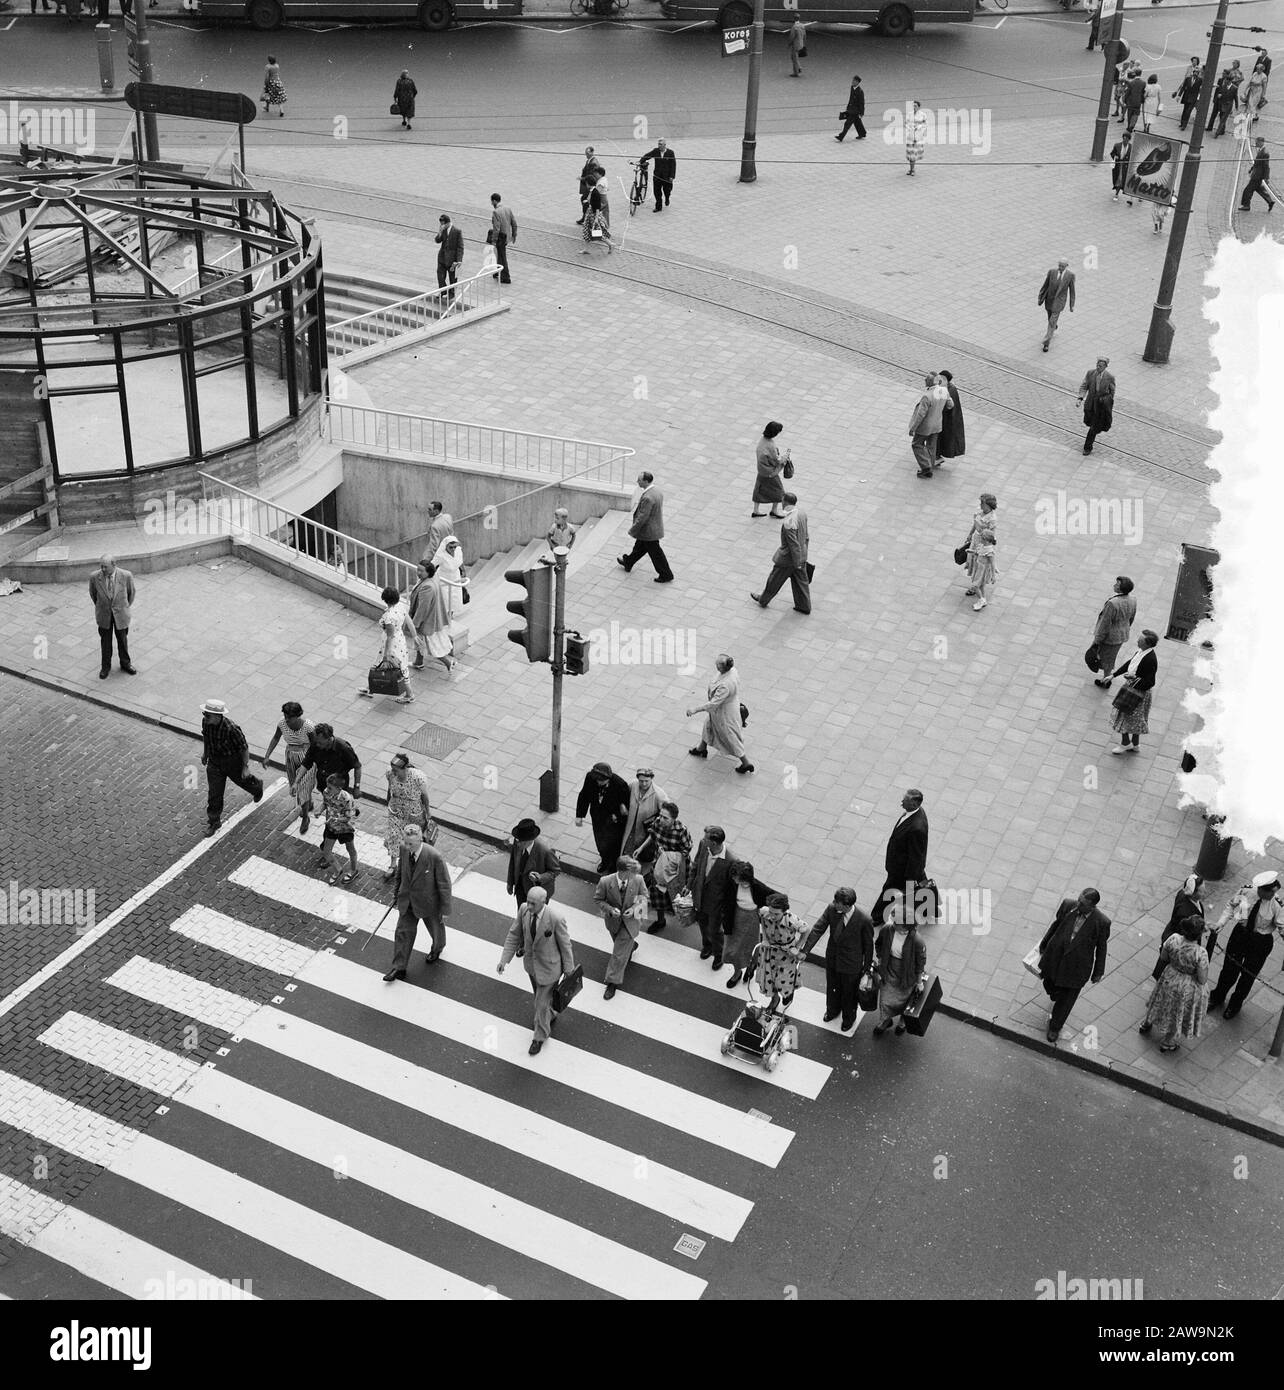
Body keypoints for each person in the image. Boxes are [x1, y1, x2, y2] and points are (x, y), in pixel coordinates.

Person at [498, 887, 575, 1055]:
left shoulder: (556, 918)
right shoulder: (524, 909)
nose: (529, 905)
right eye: (529, 901)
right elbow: (514, 934)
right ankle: (549, 1014)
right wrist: (504, 960)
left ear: (543, 902)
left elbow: (565, 945)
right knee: (541, 999)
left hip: (550, 968)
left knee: (540, 1004)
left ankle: (539, 1036)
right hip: (532, 967)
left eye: (533, 903)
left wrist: (569, 970)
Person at [1207, 870, 1284, 1019]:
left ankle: (1234, 1005)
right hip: (1240, 934)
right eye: (1270, 893)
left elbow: (1282, 927)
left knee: (1247, 977)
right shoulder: (1247, 891)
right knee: (1229, 969)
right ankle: (1217, 997)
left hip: (1260, 942)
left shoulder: (1277, 905)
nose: (1273, 895)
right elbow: (1231, 905)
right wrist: (1221, 923)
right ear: (1261, 890)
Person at [1037, 888, 1111, 1042]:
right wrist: (1044, 944)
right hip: (1056, 957)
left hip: (1077, 967)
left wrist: (1098, 972)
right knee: (1050, 984)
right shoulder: (1068, 906)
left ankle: (1055, 1027)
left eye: (1082, 903)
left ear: (1092, 906)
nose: (1078, 905)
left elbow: (1102, 948)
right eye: (1078, 900)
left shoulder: (1101, 922)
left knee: (1067, 999)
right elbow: (1056, 925)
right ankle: (1055, 993)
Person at [384, 822, 453, 981]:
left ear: (420, 840)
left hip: (429, 903)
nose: (407, 847)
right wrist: (396, 894)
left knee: (436, 930)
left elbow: (444, 884)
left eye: (411, 844)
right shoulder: (404, 849)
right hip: (407, 901)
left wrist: (445, 909)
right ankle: (399, 967)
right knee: (402, 932)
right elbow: (401, 873)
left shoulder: (434, 856)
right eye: (406, 842)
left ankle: (438, 948)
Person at [803, 887, 874, 1031]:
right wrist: (805, 950)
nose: (834, 903)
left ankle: (849, 1018)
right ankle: (832, 1010)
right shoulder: (831, 909)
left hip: (851, 965)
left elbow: (868, 946)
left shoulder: (864, 920)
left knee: (849, 993)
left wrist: (866, 971)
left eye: (837, 902)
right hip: (833, 958)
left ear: (847, 906)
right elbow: (818, 929)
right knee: (832, 987)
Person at [1139, 917, 1209, 1052]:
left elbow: (1164, 957)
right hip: (1186, 986)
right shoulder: (1200, 953)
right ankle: (1168, 1041)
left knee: (1160, 1001)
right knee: (1177, 1012)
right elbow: (1202, 979)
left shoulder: (1173, 938)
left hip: (1169, 976)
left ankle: (1146, 1023)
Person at [200, 698, 262, 835]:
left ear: (217, 716)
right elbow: (206, 738)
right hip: (215, 762)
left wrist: (245, 767)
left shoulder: (231, 728)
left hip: (232, 761)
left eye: (207, 715)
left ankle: (257, 787)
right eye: (204, 714)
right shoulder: (206, 722)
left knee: (244, 781)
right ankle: (214, 821)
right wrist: (205, 754)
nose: (204, 717)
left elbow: (244, 748)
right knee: (214, 793)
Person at [687, 653, 753, 774]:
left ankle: (746, 762)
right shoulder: (732, 670)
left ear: (721, 667)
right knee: (709, 725)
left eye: (717, 663)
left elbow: (713, 704)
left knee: (730, 736)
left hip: (724, 713)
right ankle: (702, 748)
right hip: (721, 710)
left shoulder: (725, 685)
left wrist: (695, 709)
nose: (715, 664)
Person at [594, 857, 649, 999]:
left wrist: (634, 908)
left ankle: (612, 981)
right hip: (614, 922)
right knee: (621, 947)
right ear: (623, 872)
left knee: (618, 955)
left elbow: (644, 897)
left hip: (631, 922)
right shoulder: (605, 881)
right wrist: (610, 910)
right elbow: (598, 899)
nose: (634, 875)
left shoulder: (638, 879)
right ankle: (631, 947)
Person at [872, 789, 929, 926]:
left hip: (901, 870)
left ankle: (877, 916)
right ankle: (927, 907)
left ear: (915, 804)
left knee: (889, 891)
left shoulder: (917, 828)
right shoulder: (914, 813)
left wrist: (910, 877)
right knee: (920, 885)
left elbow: (916, 855)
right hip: (904, 865)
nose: (902, 802)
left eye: (906, 801)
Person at [635, 800, 692, 936]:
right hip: (659, 866)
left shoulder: (681, 831)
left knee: (676, 894)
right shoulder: (658, 823)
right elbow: (653, 835)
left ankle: (681, 915)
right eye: (661, 815)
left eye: (665, 818)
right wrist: (641, 848)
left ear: (673, 819)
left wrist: (668, 857)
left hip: (675, 870)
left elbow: (687, 850)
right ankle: (661, 920)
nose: (661, 819)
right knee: (657, 894)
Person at [871, 902, 928, 1037]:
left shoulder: (917, 940)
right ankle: (885, 1020)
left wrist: (919, 982)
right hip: (889, 969)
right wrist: (880, 958)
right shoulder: (887, 930)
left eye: (896, 922)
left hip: (907, 975)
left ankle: (902, 1022)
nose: (893, 924)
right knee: (885, 999)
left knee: (905, 1001)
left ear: (905, 925)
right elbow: (878, 944)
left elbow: (920, 963)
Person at [751, 492, 811, 614]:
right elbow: (806, 535)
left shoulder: (789, 522)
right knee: (801, 582)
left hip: (788, 559)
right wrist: (803, 554)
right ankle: (804, 606)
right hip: (802, 554)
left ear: (784, 502)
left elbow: (793, 544)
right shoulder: (802, 513)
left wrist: (796, 562)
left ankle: (763, 599)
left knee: (774, 580)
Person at [262, 700, 315, 831]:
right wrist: (267, 755)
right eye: (285, 716)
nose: (286, 720)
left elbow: (315, 746)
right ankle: (308, 802)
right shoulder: (282, 724)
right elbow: (276, 738)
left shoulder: (308, 727)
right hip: (291, 756)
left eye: (289, 718)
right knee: (295, 785)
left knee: (303, 786)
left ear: (298, 716)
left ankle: (305, 817)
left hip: (306, 757)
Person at [359, 587, 417, 705]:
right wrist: (415, 636)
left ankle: (410, 694)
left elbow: (390, 636)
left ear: (385, 600)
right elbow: (409, 621)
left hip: (392, 645)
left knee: (397, 667)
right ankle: (370, 688)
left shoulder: (389, 616)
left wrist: (387, 654)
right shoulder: (401, 606)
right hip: (400, 640)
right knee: (394, 665)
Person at [722, 859, 775, 988]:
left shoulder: (758, 887)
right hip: (735, 917)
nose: (737, 882)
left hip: (751, 920)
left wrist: (767, 910)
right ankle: (737, 972)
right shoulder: (732, 883)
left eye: (741, 881)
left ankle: (750, 968)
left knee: (750, 948)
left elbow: (778, 898)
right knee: (733, 950)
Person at [751, 895, 807, 1012]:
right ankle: (774, 999)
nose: (772, 916)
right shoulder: (765, 912)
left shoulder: (792, 920)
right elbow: (762, 918)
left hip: (786, 955)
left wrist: (797, 947)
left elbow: (806, 930)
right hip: (769, 952)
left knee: (784, 979)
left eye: (776, 914)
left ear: (784, 911)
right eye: (771, 912)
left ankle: (787, 993)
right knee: (769, 978)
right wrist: (764, 938)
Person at [1109, 629, 1159, 755]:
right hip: (1134, 688)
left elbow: (1150, 681)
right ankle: (1135, 744)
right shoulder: (1141, 652)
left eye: (1140, 640)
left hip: (1137, 691)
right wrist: (1113, 675)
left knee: (1124, 715)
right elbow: (1129, 663)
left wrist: (1133, 679)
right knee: (1137, 718)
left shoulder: (1150, 659)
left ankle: (1125, 743)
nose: (1137, 640)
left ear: (1147, 643)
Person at [616, 470, 672, 582]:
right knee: (640, 547)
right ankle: (629, 562)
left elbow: (642, 517)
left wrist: (632, 530)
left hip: (648, 531)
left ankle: (666, 574)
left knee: (656, 554)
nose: (637, 481)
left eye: (639, 480)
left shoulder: (647, 497)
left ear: (646, 481)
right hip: (654, 528)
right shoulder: (656, 491)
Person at [691, 825, 736, 967]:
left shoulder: (731, 861)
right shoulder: (704, 845)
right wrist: (689, 886)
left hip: (716, 902)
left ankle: (718, 954)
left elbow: (731, 888)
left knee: (716, 930)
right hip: (700, 895)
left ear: (714, 843)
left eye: (706, 839)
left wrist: (725, 908)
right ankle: (707, 946)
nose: (703, 840)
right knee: (702, 923)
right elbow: (696, 865)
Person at [383, 753, 432, 880]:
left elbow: (424, 796)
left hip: (413, 813)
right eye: (392, 769)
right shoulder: (390, 774)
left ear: (404, 768)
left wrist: (428, 812)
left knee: (412, 839)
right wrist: (388, 800)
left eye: (396, 770)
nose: (393, 772)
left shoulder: (417, 777)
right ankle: (393, 865)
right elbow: (390, 789)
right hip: (396, 810)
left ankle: (413, 864)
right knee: (393, 836)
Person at [88, 554, 137, 679]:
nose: (103, 569)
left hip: (121, 615)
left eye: (105, 567)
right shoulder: (95, 577)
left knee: (122, 640)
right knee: (105, 642)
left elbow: (131, 594)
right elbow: (94, 595)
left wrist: (123, 607)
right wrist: (103, 607)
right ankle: (105, 667)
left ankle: (125, 664)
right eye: (101, 566)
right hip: (104, 615)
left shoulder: (126, 576)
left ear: (114, 565)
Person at [575, 762, 631, 872]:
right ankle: (605, 861)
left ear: (608, 778)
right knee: (600, 842)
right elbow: (584, 795)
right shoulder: (590, 778)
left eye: (602, 781)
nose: (598, 782)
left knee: (614, 845)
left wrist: (618, 816)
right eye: (597, 780)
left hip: (613, 821)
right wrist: (579, 815)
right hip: (598, 817)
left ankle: (614, 866)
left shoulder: (620, 785)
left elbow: (626, 807)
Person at [1151, 874, 1205, 980]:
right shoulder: (1185, 913)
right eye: (1201, 891)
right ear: (1193, 894)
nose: (1204, 893)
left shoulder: (1182, 894)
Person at [1090, 575, 1137, 690]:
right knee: (1110, 657)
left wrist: (1097, 640)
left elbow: (1105, 624)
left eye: (1117, 584)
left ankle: (1106, 680)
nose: (1114, 585)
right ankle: (1107, 677)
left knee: (1107, 659)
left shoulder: (1113, 603)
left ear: (1121, 589)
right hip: (1122, 634)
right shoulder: (1133, 600)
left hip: (1110, 637)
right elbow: (1131, 618)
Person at [407, 563, 455, 676]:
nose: (418, 572)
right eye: (418, 569)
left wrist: (415, 624)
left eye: (421, 571)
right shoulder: (432, 579)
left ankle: (448, 662)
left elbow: (422, 608)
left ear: (428, 572)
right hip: (432, 619)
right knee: (420, 641)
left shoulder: (427, 586)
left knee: (431, 645)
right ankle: (418, 662)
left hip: (426, 621)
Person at [301, 723, 362, 802]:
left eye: (320, 743)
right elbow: (307, 762)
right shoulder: (316, 744)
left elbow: (357, 767)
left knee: (339, 806)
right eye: (316, 742)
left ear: (329, 739)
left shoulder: (344, 748)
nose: (317, 745)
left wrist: (356, 787)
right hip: (323, 783)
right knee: (328, 802)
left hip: (338, 787)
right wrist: (297, 780)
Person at [507, 818, 560, 905]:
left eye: (521, 842)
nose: (517, 843)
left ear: (529, 840)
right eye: (517, 840)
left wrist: (540, 877)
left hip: (537, 892)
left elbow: (555, 871)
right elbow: (513, 861)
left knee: (535, 917)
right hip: (520, 887)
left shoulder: (545, 850)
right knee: (522, 913)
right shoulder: (518, 841)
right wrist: (510, 882)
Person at [318, 773, 359, 884]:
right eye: (327, 786)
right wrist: (319, 810)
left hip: (345, 828)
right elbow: (325, 803)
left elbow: (348, 817)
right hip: (331, 827)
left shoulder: (347, 799)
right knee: (326, 852)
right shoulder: (326, 792)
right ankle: (338, 869)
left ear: (339, 788)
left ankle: (354, 870)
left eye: (330, 788)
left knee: (350, 849)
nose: (327, 789)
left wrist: (334, 819)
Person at [962, 492, 998, 612]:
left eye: (982, 503)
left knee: (980, 565)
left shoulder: (992, 519)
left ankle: (977, 587)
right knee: (973, 562)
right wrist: (970, 534)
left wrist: (983, 545)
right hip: (976, 540)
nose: (980, 505)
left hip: (982, 544)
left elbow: (989, 535)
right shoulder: (979, 512)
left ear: (988, 505)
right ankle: (975, 585)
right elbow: (975, 523)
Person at [621, 769, 666, 857]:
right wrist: (622, 805)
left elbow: (666, 811)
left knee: (642, 850)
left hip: (645, 829)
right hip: (630, 825)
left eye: (646, 781)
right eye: (641, 781)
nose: (644, 784)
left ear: (651, 779)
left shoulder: (658, 794)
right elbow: (623, 795)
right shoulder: (633, 785)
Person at [907, 372, 946, 477]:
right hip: (937, 425)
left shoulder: (927, 396)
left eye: (926, 378)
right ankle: (930, 465)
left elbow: (920, 415)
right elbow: (950, 404)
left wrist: (913, 428)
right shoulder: (943, 391)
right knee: (931, 446)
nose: (924, 379)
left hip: (925, 427)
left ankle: (926, 468)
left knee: (916, 444)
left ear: (931, 381)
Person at [1077, 356, 1115, 455]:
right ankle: (1096, 428)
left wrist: (1107, 402)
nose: (1098, 367)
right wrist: (1080, 398)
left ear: (1105, 367)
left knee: (1093, 427)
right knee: (1088, 422)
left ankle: (1087, 447)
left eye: (1101, 366)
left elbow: (1112, 391)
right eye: (1097, 365)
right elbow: (1084, 386)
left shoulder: (1110, 377)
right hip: (1089, 404)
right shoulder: (1090, 373)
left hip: (1100, 406)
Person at [1037, 257, 1076, 352]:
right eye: (1059, 266)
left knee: (1051, 322)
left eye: (1062, 266)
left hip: (1059, 302)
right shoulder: (1052, 272)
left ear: (1066, 266)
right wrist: (1040, 297)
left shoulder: (1070, 275)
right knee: (1050, 318)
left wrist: (1071, 305)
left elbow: (1072, 291)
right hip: (1049, 300)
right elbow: (1045, 285)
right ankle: (1054, 326)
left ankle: (1046, 343)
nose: (1060, 268)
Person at [752, 421, 789, 518]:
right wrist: (785, 457)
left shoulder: (762, 440)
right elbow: (777, 460)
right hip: (770, 472)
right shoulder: (771, 445)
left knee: (759, 489)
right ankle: (774, 510)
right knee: (779, 490)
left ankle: (756, 510)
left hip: (761, 470)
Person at [430, 535, 469, 616]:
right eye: (451, 547)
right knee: (445, 600)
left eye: (455, 546)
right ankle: (446, 617)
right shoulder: (441, 555)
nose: (453, 549)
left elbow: (459, 561)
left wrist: (463, 571)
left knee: (454, 599)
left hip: (456, 578)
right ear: (445, 546)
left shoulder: (458, 551)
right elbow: (432, 565)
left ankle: (450, 616)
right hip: (444, 580)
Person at [935, 370, 965, 461]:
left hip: (946, 420)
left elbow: (943, 406)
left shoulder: (948, 390)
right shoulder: (951, 388)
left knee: (939, 438)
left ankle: (936, 456)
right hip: (948, 419)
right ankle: (936, 455)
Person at [639, 139, 676, 211]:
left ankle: (667, 198)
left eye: (660, 144)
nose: (659, 146)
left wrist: (672, 176)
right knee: (657, 191)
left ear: (664, 145)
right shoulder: (656, 151)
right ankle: (658, 207)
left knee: (667, 190)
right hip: (657, 175)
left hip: (667, 177)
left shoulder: (670, 153)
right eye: (658, 144)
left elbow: (673, 165)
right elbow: (647, 156)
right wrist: (641, 161)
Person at [1239, 138, 1276, 212]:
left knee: (1248, 190)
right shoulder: (1261, 151)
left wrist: (1266, 178)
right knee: (1259, 189)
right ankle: (1270, 201)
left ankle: (1246, 206)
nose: (1255, 144)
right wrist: (1251, 169)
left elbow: (1266, 166)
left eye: (1257, 142)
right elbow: (1257, 163)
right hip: (1256, 174)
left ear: (1261, 142)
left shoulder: (1265, 153)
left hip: (1257, 176)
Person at [489, 192, 516, 285]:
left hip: (501, 237)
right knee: (499, 254)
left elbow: (496, 228)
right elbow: (514, 223)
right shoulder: (508, 209)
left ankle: (506, 277)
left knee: (502, 256)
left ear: (495, 201)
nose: (491, 204)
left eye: (492, 202)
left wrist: (493, 241)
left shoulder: (496, 212)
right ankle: (497, 272)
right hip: (506, 237)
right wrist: (513, 236)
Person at [581, 177, 613, 257]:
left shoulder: (595, 193)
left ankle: (610, 244)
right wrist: (587, 201)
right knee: (586, 231)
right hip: (590, 213)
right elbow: (591, 201)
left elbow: (597, 207)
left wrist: (596, 219)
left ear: (588, 184)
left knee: (598, 233)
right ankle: (586, 249)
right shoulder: (592, 191)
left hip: (593, 215)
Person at [434, 213, 464, 300]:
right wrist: (439, 232)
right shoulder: (443, 229)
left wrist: (459, 260)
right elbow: (437, 241)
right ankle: (443, 290)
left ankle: (451, 293)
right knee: (440, 275)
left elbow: (460, 247)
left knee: (452, 278)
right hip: (442, 257)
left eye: (443, 224)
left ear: (448, 223)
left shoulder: (457, 231)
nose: (441, 226)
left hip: (452, 259)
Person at [576, 146, 604, 225]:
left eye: (587, 153)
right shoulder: (589, 160)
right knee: (585, 200)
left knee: (585, 200)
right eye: (585, 153)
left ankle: (586, 217)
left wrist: (583, 179)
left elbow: (592, 175)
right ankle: (585, 216)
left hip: (590, 185)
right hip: (588, 184)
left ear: (592, 152)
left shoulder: (593, 162)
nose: (586, 155)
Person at [1207, 69, 1237, 137]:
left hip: (1223, 102)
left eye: (1224, 74)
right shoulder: (1220, 80)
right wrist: (1215, 98)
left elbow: (1229, 93)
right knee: (1213, 114)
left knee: (1222, 116)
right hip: (1217, 100)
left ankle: (1222, 130)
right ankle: (1209, 127)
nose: (1222, 75)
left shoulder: (1229, 83)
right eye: (1222, 73)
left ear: (1227, 75)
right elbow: (1217, 90)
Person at [835, 75, 867, 140]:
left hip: (855, 111)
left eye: (854, 81)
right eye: (852, 80)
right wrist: (848, 106)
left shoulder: (860, 91)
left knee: (847, 123)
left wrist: (862, 113)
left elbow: (862, 103)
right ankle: (862, 133)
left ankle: (841, 136)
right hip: (851, 109)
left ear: (858, 82)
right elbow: (851, 98)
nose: (852, 82)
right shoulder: (852, 88)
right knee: (857, 122)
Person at [1173, 59, 1202, 130]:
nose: (1196, 74)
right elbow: (1183, 88)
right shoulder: (1188, 79)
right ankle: (1182, 123)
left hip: (1193, 98)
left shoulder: (1200, 80)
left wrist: (1198, 97)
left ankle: (1184, 126)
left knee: (1188, 112)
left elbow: (1202, 89)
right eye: (1195, 72)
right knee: (1184, 110)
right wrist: (1179, 96)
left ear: (1198, 74)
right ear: (1193, 72)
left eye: (1197, 73)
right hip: (1186, 97)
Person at [905, 99, 928, 175]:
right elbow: (906, 123)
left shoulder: (923, 115)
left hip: (918, 136)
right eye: (913, 106)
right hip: (910, 136)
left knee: (913, 154)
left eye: (915, 106)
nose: (914, 107)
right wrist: (910, 128)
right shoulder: (909, 114)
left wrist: (919, 127)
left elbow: (925, 124)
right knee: (910, 154)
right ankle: (911, 169)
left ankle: (912, 169)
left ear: (919, 107)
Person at [1110, 132, 1133, 204]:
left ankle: (1138, 197)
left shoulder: (1131, 147)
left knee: (1127, 181)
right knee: (1119, 179)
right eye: (1123, 138)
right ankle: (1116, 193)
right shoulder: (1117, 145)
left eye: (1126, 139)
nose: (1124, 140)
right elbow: (1112, 153)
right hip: (1119, 165)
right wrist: (1115, 156)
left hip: (1127, 167)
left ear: (1129, 140)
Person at [1122, 66, 1145, 133]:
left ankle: (1129, 126)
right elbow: (1143, 93)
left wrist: (1125, 100)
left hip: (1131, 102)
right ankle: (1132, 125)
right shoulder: (1143, 83)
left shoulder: (1131, 83)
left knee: (1129, 114)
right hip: (1138, 102)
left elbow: (1128, 93)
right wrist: (1142, 100)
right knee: (1136, 114)